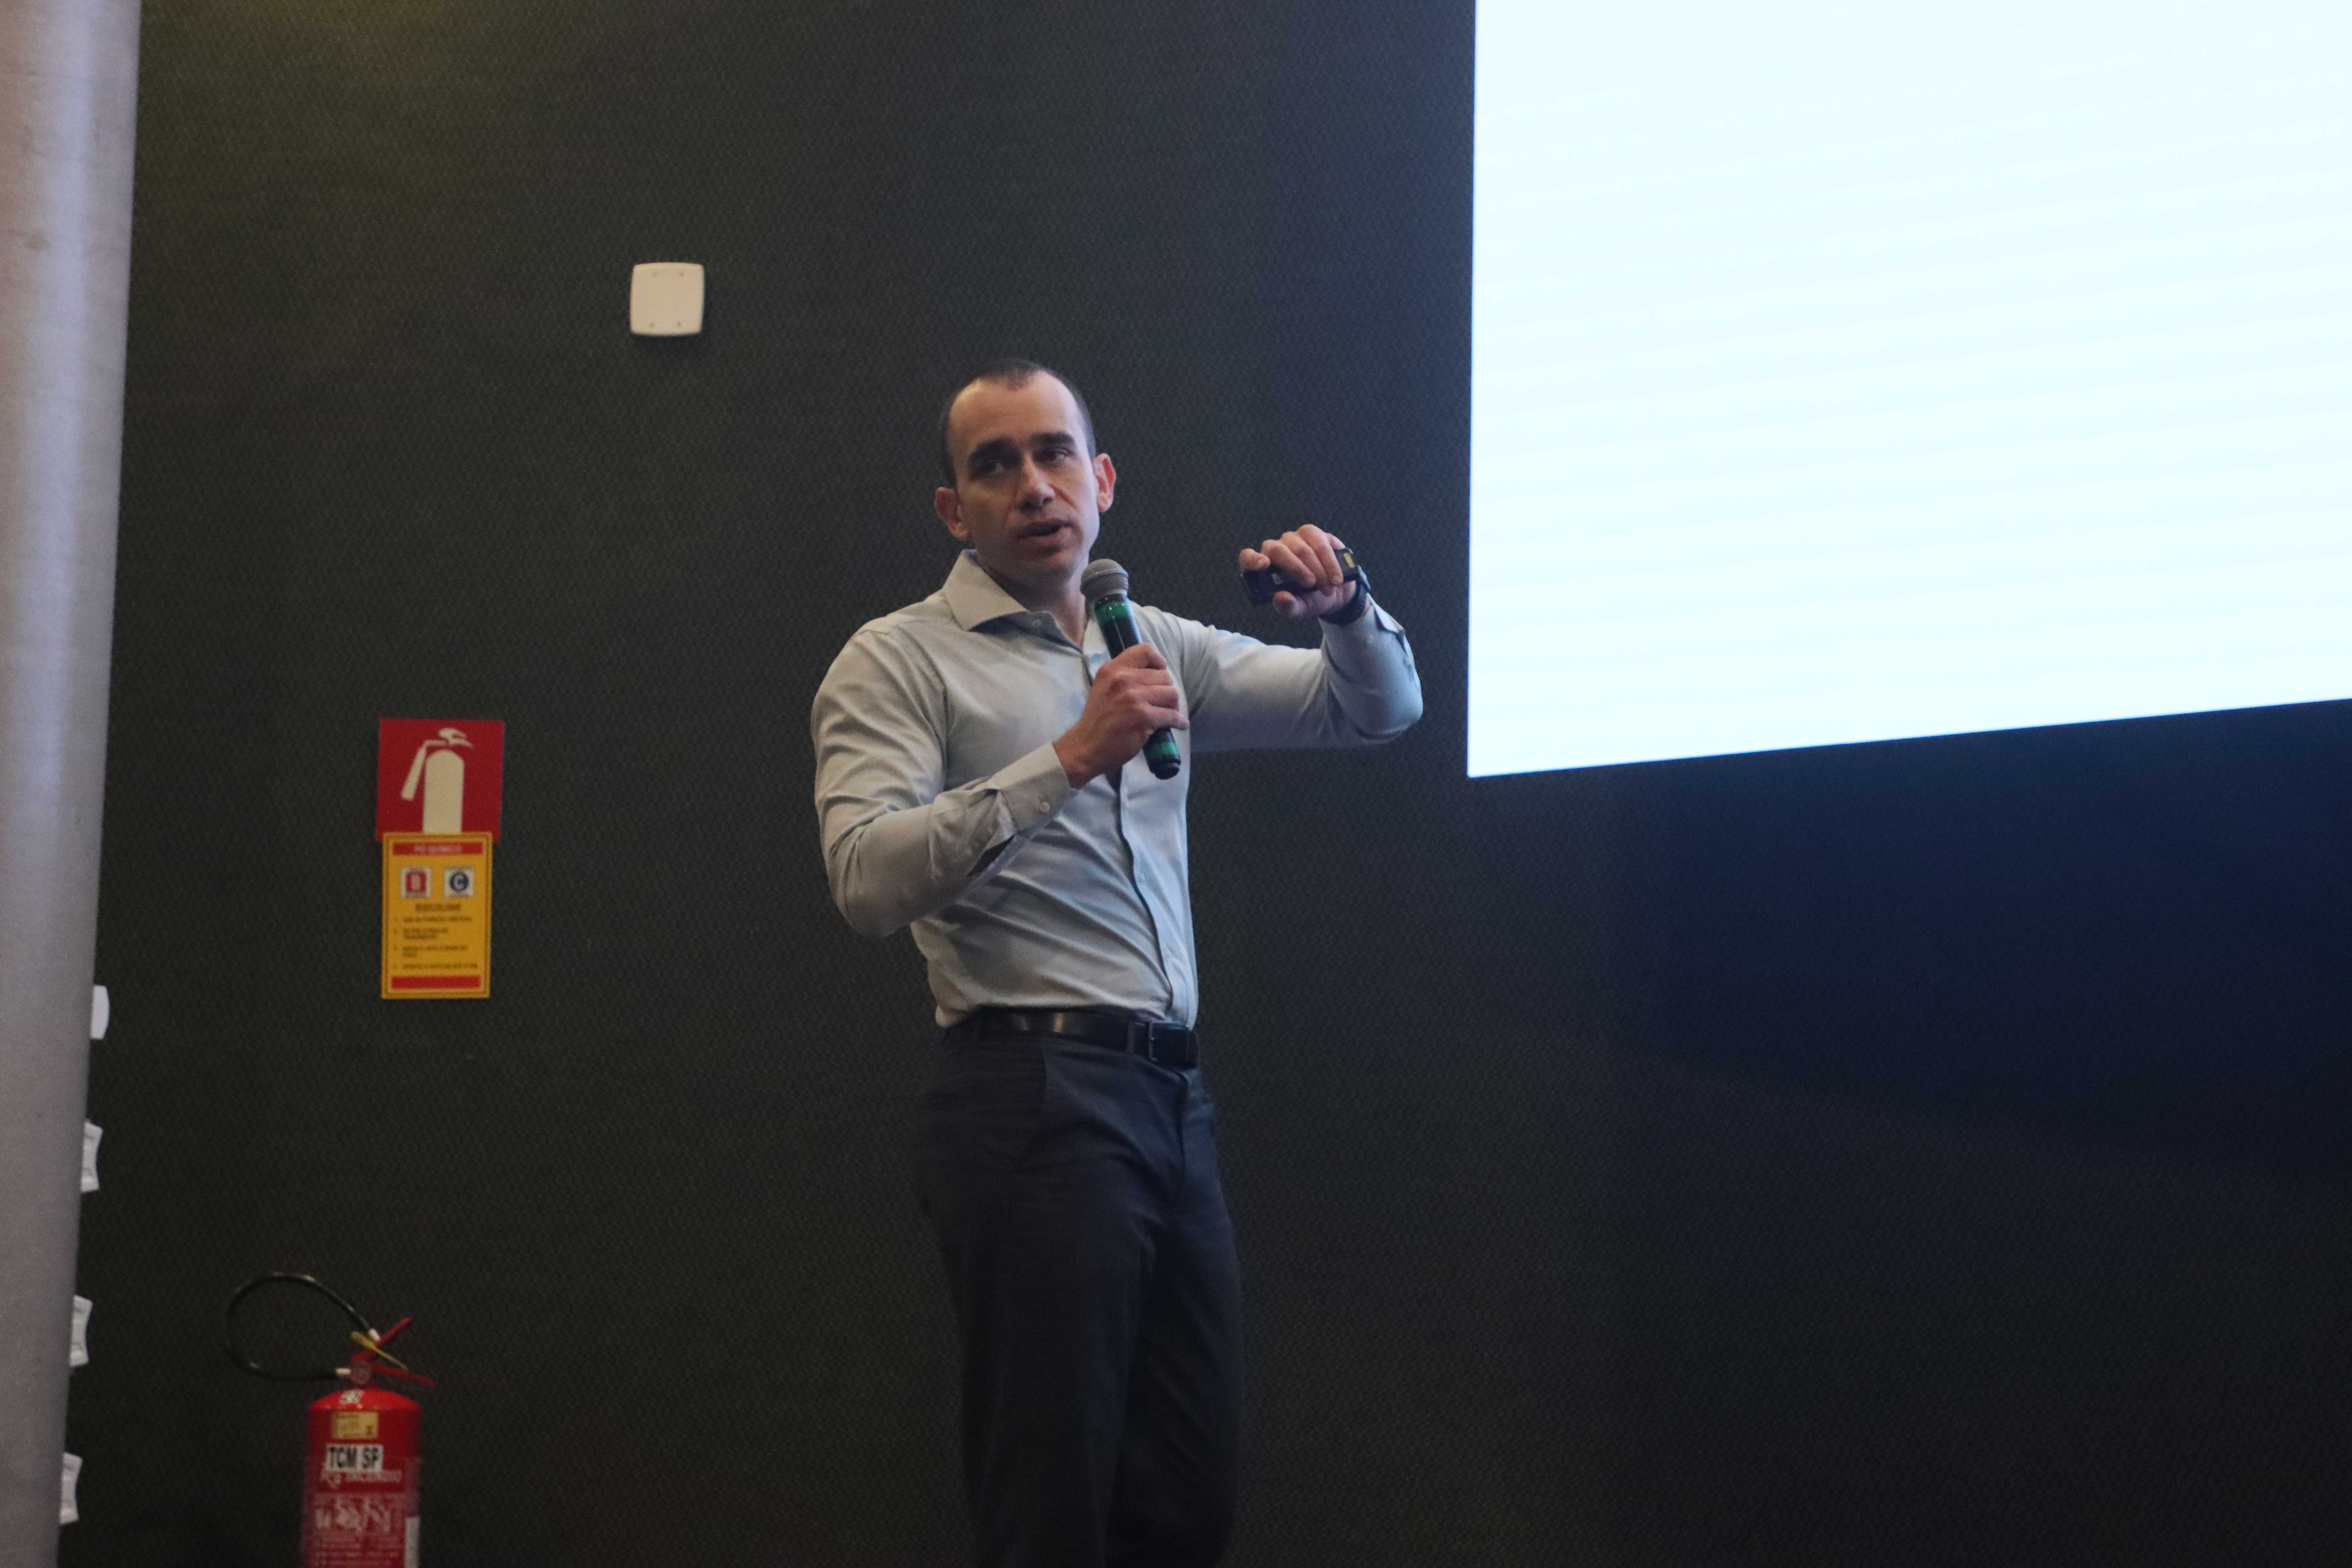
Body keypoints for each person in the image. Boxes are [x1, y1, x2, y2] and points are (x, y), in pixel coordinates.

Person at [810, 361, 1421, 1567]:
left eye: (1053, 455)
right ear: (954, 511)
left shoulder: (1150, 643)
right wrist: (1069, 757)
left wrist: (1348, 608)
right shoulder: (898, 660)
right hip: (1027, 1095)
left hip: (1170, 1101)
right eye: (996, 466)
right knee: (1052, 1500)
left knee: (1189, 1497)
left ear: (1101, 482)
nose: (1033, 486)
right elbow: (866, 879)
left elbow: (1375, 710)